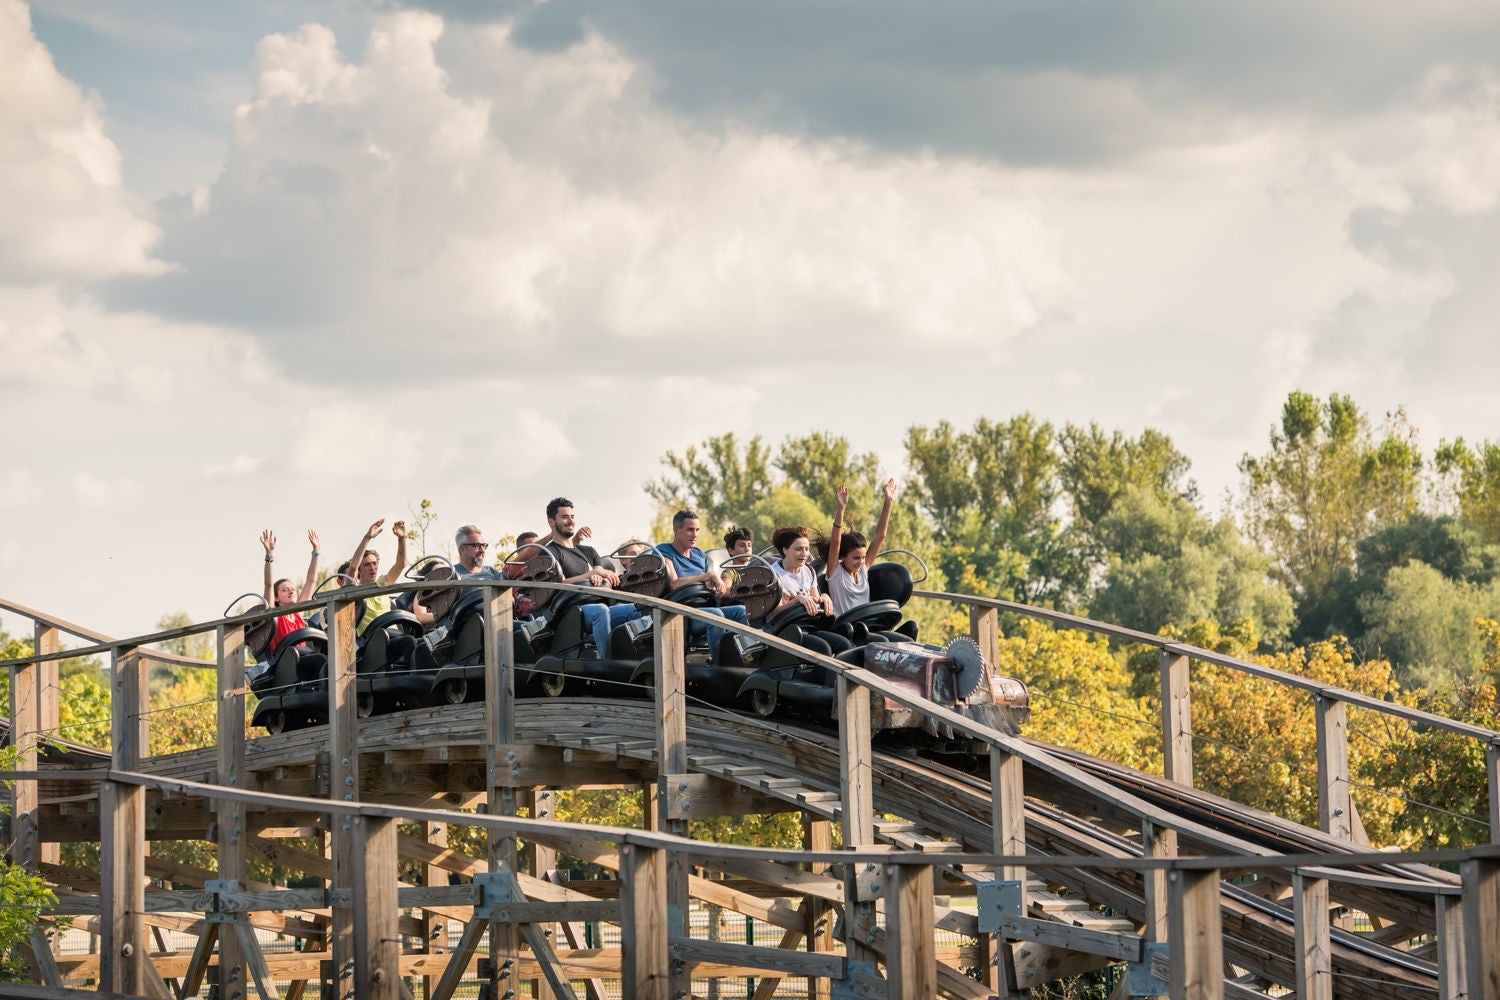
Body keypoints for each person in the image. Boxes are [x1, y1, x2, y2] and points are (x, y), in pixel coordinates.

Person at [543, 497, 641, 653]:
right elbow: (557, 585)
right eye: (565, 517)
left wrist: (598, 576)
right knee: (600, 610)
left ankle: (635, 657)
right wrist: (589, 575)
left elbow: (600, 576)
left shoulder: (588, 551)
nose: (571, 521)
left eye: (572, 517)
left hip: (601, 604)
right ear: (551, 522)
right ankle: (607, 662)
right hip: (572, 613)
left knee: (636, 609)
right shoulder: (550, 553)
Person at [655, 510, 750, 654]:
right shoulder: (663, 551)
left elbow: (709, 583)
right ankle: (719, 663)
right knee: (715, 614)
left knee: (741, 611)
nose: (695, 535)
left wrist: (714, 585)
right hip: (680, 613)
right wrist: (708, 575)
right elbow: (673, 584)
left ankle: (746, 656)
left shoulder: (699, 555)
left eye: (697, 530)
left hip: (706, 607)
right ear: (676, 529)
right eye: (690, 530)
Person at [821, 479, 897, 616]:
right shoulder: (835, 573)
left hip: (867, 626)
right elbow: (835, 542)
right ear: (842, 556)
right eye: (856, 558)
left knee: (910, 627)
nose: (861, 561)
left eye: (863, 557)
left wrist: (889, 501)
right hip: (845, 628)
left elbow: (880, 536)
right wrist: (841, 509)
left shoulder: (863, 570)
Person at [347, 518, 432, 634]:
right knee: (409, 642)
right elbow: (352, 568)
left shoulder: (382, 583)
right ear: (360, 570)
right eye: (367, 565)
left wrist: (402, 538)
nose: (372, 568)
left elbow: (401, 564)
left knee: (419, 644)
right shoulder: (354, 591)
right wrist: (367, 538)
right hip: (371, 641)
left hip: (393, 636)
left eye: (374, 563)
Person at [260, 528, 320, 653]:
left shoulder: (298, 614)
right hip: (285, 660)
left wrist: (316, 552)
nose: (291, 591)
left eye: (293, 589)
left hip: (304, 657)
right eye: (285, 590)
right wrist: (269, 556)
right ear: (276, 597)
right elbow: (268, 584)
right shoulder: (274, 615)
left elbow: (311, 581)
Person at [771, 525, 834, 616]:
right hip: (782, 627)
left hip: (806, 622)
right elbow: (775, 613)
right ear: (785, 550)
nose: (804, 554)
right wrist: (797, 600)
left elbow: (815, 600)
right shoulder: (772, 574)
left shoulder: (809, 571)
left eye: (807, 549)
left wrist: (824, 598)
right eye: (798, 549)